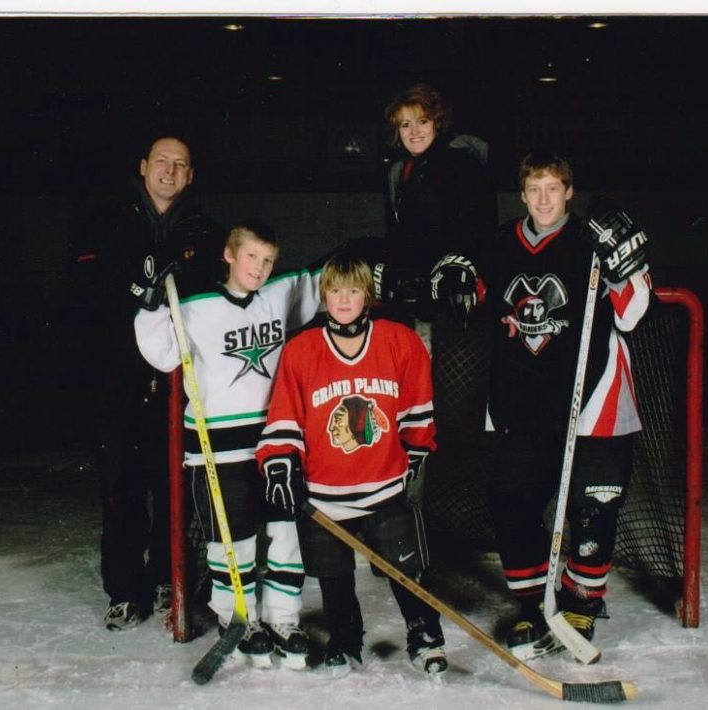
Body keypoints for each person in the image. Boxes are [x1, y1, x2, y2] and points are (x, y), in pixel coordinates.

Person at [430, 150, 651, 661]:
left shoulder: (592, 241)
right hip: (526, 405)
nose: (544, 199)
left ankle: (581, 603)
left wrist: (624, 262)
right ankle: (536, 603)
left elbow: (635, 313)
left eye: (554, 188)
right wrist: (453, 277)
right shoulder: (502, 243)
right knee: (509, 499)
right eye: (534, 189)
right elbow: (468, 288)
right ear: (522, 193)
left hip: (595, 400)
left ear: (569, 191)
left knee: (593, 510)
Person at [134, 221, 322, 668]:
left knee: (285, 535)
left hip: (274, 446)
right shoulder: (195, 307)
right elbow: (159, 353)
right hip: (216, 449)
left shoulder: (279, 294)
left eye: (268, 260)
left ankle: (282, 618)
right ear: (229, 255)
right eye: (251, 257)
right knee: (231, 541)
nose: (260, 268)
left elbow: (328, 283)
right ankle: (237, 618)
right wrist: (152, 303)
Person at [254, 251, 447, 677]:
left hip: (384, 485)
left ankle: (424, 633)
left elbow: (417, 408)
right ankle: (346, 638)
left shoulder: (400, 340)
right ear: (324, 296)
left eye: (353, 290)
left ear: (368, 296)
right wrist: (281, 462)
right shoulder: (302, 350)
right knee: (334, 577)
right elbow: (285, 415)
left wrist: (415, 451)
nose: (344, 299)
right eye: (336, 290)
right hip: (325, 493)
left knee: (406, 568)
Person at [69, 135, 222, 631]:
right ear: (143, 167)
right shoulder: (109, 219)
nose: (170, 170)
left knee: (172, 482)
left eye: (181, 163)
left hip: (176, 383)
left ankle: (166, 578)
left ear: (191, 175)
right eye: (162, 161)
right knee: (120, 486)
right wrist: (131, 290)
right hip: (118, 379)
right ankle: (123, 589)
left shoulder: (203, 227)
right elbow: (83, 288)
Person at [380, 83, 496, 330]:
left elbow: (475, 230)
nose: (414, 132)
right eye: (405, 124)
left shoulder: (459, 163)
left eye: (422, 121)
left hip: (450, 297)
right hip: (415, 297)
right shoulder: (403, 170)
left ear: (436, 123)